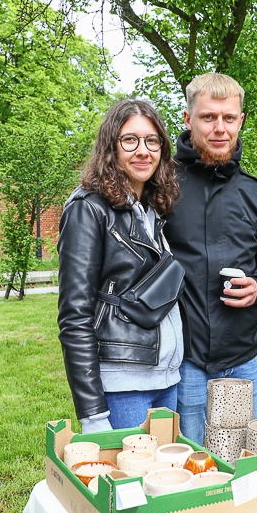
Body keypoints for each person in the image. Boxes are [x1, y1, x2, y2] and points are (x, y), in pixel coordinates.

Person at [163, 73, 257, 444]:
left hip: (242, 359)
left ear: (240, 120)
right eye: (208, 117)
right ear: (188, 119)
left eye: (228, 118)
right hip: (183, 360)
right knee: (188, 468)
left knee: (241, 466)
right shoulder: (161, 185)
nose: (220, 128)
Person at [57, 99, 183, 432]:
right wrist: (93, 414)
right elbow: (75, 315)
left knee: (161, 482)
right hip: (123, 387)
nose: (143, 150)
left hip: (166, 379)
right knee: (129, 483)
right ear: (111, 147)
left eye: (152, 141)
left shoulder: (151, 209)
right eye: (130, 140)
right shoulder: (88, 208)